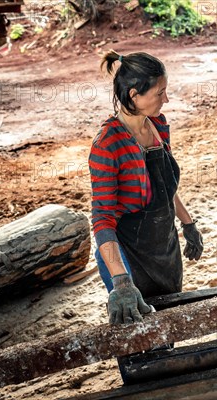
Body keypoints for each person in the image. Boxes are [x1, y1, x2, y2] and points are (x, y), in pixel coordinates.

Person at [89, 50, 204, 325]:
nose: (165, 99)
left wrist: (188, 225)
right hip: (129, 257)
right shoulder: (107, 145)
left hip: (165, 248)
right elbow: (102, 219)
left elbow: (164, 186)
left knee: (169, 328)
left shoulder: (158, 126)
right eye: (159, 93)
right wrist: (121, 281)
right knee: (139, 337)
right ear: (133, 95)